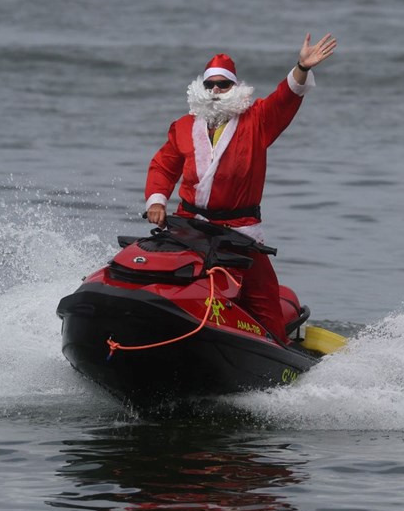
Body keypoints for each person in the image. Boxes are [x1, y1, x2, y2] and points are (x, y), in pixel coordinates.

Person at [144, 33, 337, 343]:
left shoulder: (258, 120)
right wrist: (156, 202)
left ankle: (276, 351)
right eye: (210, 85)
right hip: (189, 226)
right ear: (201, 89)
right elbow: (164, 166)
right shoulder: (182, 127)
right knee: (167, 275)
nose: (216, 91)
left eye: (224, 85)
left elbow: (285, 98)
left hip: (240, 231)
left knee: (264, 302)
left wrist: (301, 66)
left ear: (236, 88)